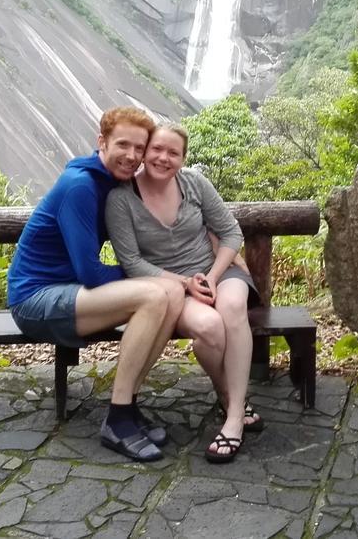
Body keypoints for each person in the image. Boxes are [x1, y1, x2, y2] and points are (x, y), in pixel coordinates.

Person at [7, 107, 188, 462]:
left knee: (172, 292)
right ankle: (118, 418)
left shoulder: (111, 182)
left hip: (70, 294)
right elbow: (90, 272)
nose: (132, 156)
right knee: (154, 295)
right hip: (35, 299)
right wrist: (144, 274)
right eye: (123, 145)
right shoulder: (81, 186)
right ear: (101, 142)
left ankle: (129, 406)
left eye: (140, 148)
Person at [105, 124, 262, 463]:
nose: (164, 158)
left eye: (173, 152)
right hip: (173, 288)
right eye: (157, 150)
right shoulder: (121, 199)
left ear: (183, 158)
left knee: (233, 306)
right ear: (145, 152)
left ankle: (234, 417)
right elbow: (132, 262)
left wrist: (213, 276)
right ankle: (227, 394)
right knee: (210, 328)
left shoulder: (194, 183)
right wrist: (185, 283)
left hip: (219, 272)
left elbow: (231, 233)